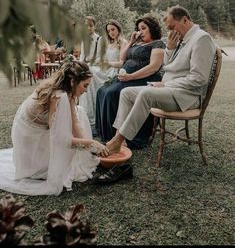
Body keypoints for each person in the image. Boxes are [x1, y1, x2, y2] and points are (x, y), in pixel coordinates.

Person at [105, 5, 217, 154]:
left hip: (187, 95)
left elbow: (199, 79)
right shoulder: (182, 38)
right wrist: (170, 48)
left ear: (184, 20)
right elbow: (168, 66)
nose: (170, 32)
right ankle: (123, 140)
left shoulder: (201, 38)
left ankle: (116, 141)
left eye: (172, 27)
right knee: (126, 92)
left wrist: (165, 84)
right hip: (170, 89)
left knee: (146, 95)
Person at [0, 60, 109, 196]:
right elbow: (60, 139)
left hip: (42, 130)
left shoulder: (67, 91)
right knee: (65, 157)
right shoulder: (59, 96)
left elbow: (75, 122)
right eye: (85, 85)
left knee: (79, 111)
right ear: (72, 81)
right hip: (30, 138)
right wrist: (92, 144)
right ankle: (36, 164)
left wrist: (88, 148)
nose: (86, 90)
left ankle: (82, 155)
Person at [95, 16, 165, 149]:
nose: (141, 32)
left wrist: (131, 76)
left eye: (144, 28)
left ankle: (119, 135)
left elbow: (153, 67)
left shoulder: (158, 44)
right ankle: (105, 132)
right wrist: (132, 41)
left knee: (112, 93)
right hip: (127, 77)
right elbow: (122, 58)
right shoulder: (137, 43)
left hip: (144, 79)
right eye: (139, 29)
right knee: (101, 91)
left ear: (153, 28)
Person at [79, 19, 127, 126]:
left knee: (90, 72)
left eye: (113, 29)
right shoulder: (109, 42)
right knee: (87, 72)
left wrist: (108, 63)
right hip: (105, 69)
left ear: (118, 29)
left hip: (114, 71)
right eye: (109, 31)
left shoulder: (123, 42)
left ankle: (93, 117)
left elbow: (121, 63)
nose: (111, 33)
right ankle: (89, 115)